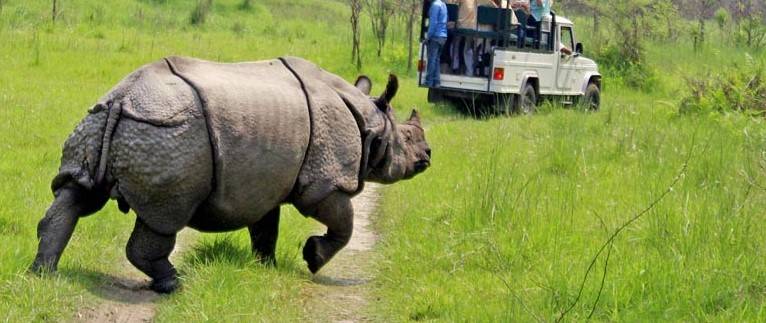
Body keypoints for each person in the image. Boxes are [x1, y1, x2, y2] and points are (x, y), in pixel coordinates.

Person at [425, 0, 448, 88]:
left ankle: (429, 81)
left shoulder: (435, 5)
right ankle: (437, 81)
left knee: (432, 59)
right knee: (437, 59)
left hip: (436, 36)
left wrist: (428, 36)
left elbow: (433, 23)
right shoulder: (443, 5)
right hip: (443, 36)